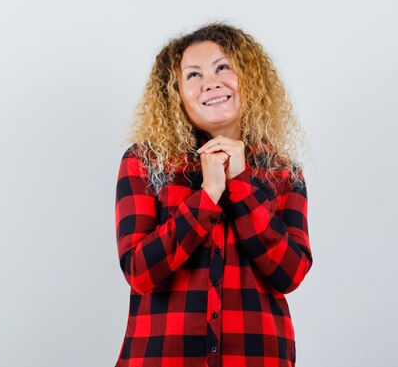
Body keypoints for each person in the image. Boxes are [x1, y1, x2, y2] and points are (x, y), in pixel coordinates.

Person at [113, 21, 313, 367]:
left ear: (248, 79)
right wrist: (208, 195)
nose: (211, 82)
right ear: (174, 93)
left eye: (223, 67)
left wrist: (241, 185)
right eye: (193, 75)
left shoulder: (283, 172)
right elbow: (140, 272)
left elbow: (290, 273)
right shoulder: (144, 163)